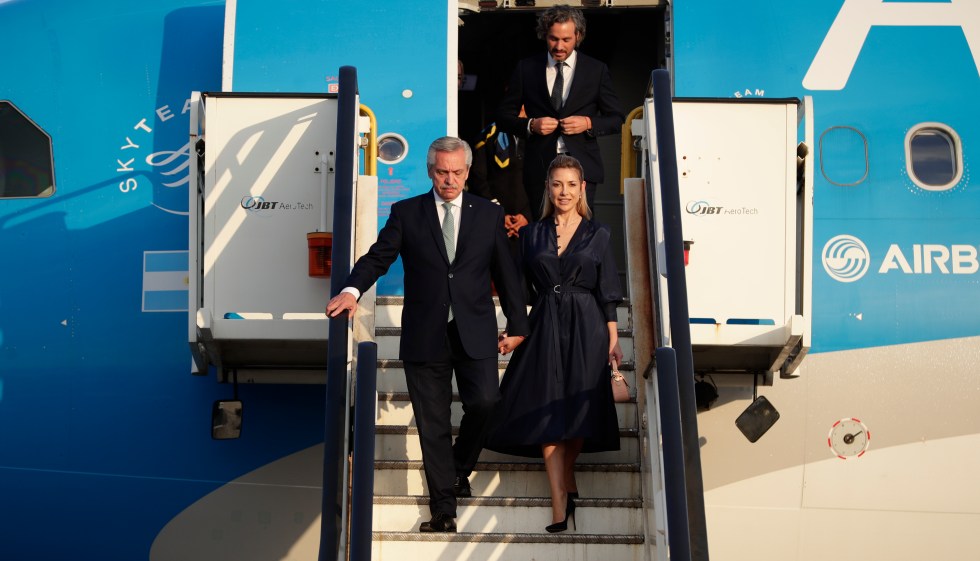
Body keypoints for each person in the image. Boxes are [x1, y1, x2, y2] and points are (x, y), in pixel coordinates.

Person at [326, 137, 529, 533]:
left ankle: (458, 468)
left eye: (456, 172)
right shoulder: (407, 212)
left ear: (468, 172)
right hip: (425, 333)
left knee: (487, 402)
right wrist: (351, 291)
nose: (449, 180)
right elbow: (379, 256)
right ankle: (443, 510)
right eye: (441, 172)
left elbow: (506, 272)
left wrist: (518, 324)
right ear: (429, 171)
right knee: (432, 423)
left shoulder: (489, 214)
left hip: (476, 329)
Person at [489, 154, 624, 533]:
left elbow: (608, 288)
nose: (563, 191)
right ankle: (559, 503)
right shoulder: (532, 234)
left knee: (580, 410)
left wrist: (612, 336)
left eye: (571, 184)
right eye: (556, 184)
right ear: (548, 188)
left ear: (582, 188)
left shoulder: (599, 233)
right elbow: (517, 288)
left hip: (588, 324)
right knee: (546, 409)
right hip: (545, 321)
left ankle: (567, 475)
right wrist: (516, 328)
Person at [495, 4, 625, 218]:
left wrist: (588, 123)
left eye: (566, 40)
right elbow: (502, 117)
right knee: (544, 232)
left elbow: (617, 119)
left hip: (583, 167)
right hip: (540, 169)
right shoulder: (526, 68)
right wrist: (530, 125)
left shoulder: (596, 70)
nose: (559, 46)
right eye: (553, 39)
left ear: (578, 36)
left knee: (580, 232)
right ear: (544, 35)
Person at [468, 117, 532, 256]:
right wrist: (499, 214)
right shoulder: (488, 135)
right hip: (494, 222)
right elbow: (477, 179)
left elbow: (546, 179)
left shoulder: (540, 133)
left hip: (531, 223)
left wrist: (528, 214)